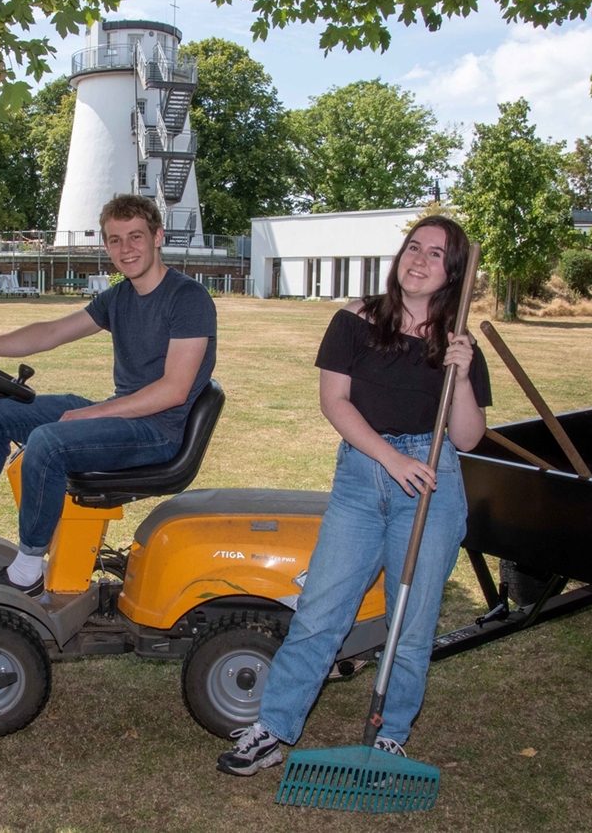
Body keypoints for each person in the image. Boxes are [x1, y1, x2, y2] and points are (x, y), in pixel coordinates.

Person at [216, 215, 491, 776]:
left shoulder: (459, 342)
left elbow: (466, 437)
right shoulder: (353, 321)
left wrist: (460, 377)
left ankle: (390, 736)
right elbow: (335, 403)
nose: (418, 259)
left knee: (411, 622)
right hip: (363, 480)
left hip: (432, 484)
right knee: (320, 611)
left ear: (452, 271)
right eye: (413, 247)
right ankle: (273, 728)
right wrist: (391, 459)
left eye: (435, 254)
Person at [0, 195, 217, 597]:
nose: (126, 249)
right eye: (115, 240)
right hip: (123, 418)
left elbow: (173, 391)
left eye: (135, 236)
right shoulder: (119, 297)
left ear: (158, 237)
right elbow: (50, 332)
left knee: (47, 443)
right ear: (106, 246)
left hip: (158, 431)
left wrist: (92, 414)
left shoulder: (188, 299)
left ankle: (27, 573)